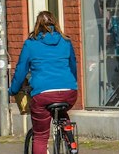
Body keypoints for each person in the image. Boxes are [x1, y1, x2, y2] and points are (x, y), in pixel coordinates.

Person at [8, 11, 78, 154]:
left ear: (37, 25)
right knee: (62, 111)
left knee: (40, 136)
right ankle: (69, 136)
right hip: (69, 92)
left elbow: (21, 70)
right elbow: (73, 66)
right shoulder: (66, 41)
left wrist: (13, 90)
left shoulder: (30, 44)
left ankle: (64, 131)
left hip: (43, 94)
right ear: (55, 23)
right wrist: (70, 84)